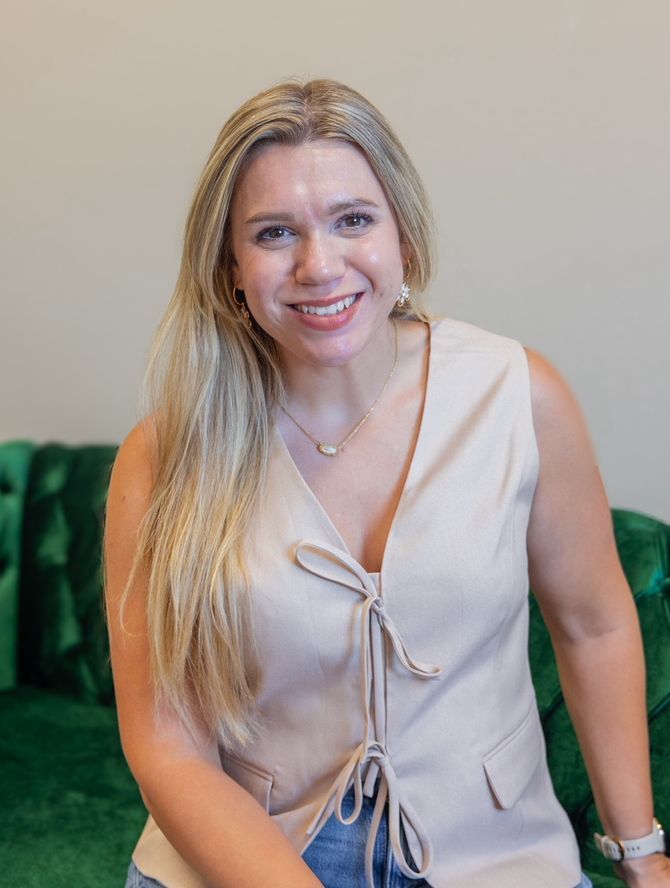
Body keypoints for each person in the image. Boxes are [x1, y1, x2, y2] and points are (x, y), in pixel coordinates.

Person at [104, 79, 669, 888]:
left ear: (403, 237)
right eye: (273, 233)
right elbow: (166, 743)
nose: (318, 265)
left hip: (496, 854)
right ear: (229, 266)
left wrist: (640, 853)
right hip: (247, 858)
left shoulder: (520, 396)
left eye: (352, 220)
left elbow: (594, 626)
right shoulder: (163, 457)